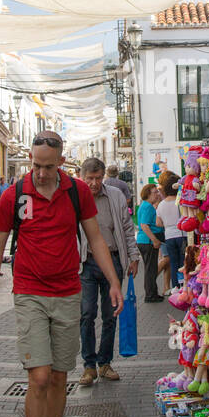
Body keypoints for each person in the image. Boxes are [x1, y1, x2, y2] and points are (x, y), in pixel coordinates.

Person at [0, 131, 121, 417]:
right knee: (39, 377)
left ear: (61, 163)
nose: (40, 173)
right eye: (35, 165)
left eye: (47, 166)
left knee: (59, 378)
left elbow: (95, 239)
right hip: (28, 293)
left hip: (67, 292)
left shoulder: (75, 192)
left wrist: (113, 282)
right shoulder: (15, 195)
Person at [78, 157, 139, 385]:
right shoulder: (76, 198)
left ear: (103, 177)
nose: (93, 183)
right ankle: (88, 366)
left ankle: (104, 363)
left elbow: (126, 227)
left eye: (97, 178)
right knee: (86, 314)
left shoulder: (115, 195)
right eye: (89, 179)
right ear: (82, 177)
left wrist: (133, 256)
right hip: (86, 262)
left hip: (113, 260)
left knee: (110, 314)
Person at [156, 175, 184, 297]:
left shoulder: (161, 204)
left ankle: (175, 287)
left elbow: (158, 223)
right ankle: (184, 285)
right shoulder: (181, 201)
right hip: (182, 234)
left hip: (169, 236)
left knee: (173, 262)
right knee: (183, 262)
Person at [135, 184, 164, 303]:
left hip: (144, 240)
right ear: (148, 194)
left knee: (150, 268)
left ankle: (152, 293)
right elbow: (144, 225)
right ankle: (150, 295)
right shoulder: (147, 207)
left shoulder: (146, 205)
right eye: (154, 192)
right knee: (150, 269)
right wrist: (154, 240)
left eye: (157, 192)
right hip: (147, 241)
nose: (157, 194)